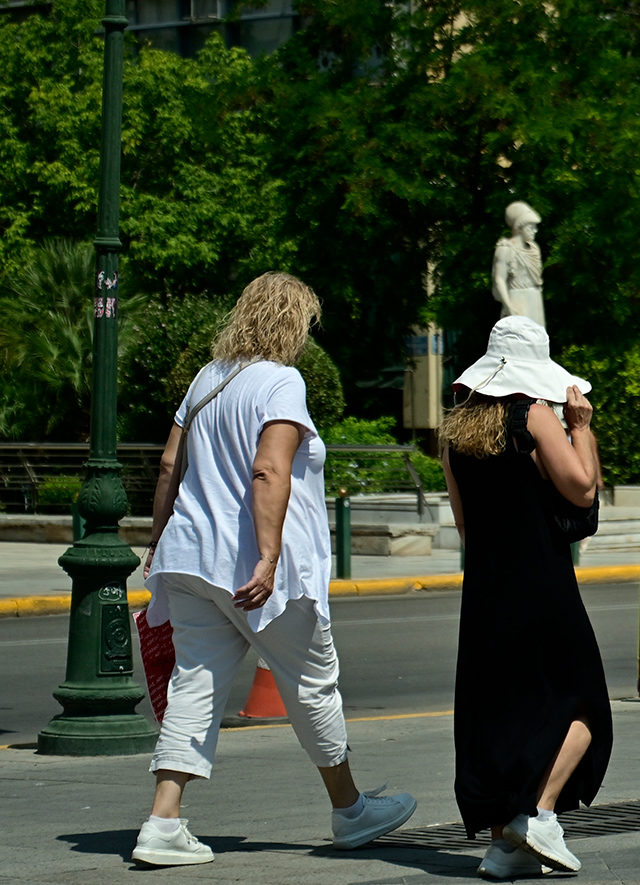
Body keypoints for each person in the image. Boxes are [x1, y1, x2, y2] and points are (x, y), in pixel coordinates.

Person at [136, 273, 416, 866]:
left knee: (197, 682)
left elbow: (168, 466)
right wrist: (267, 555)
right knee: (311, 682)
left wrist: (159, 540)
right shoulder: (282, 382)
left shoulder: (207, 379)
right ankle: (350, 811)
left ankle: (162, 823)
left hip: (188, 559)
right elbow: (269, 469)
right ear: (295, 323)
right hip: (254, 570)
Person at [440, 316, 612, 878]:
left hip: (486, 588)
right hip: (542, 582)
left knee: (499, 712)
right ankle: (537, 813)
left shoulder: (455, 433)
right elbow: (582, 487)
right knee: (583, 701)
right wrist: (581, 427)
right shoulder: (535, 417)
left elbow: (466, 527)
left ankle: (502, 848)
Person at [492, 201, 546, 326]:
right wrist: (508, 306)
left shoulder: (534, 249)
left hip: (535, 298)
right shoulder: (506, 248)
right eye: (531, 227)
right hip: (517, 299)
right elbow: (499, 279)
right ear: (520, 227)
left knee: (538, 340)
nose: (535, 231)